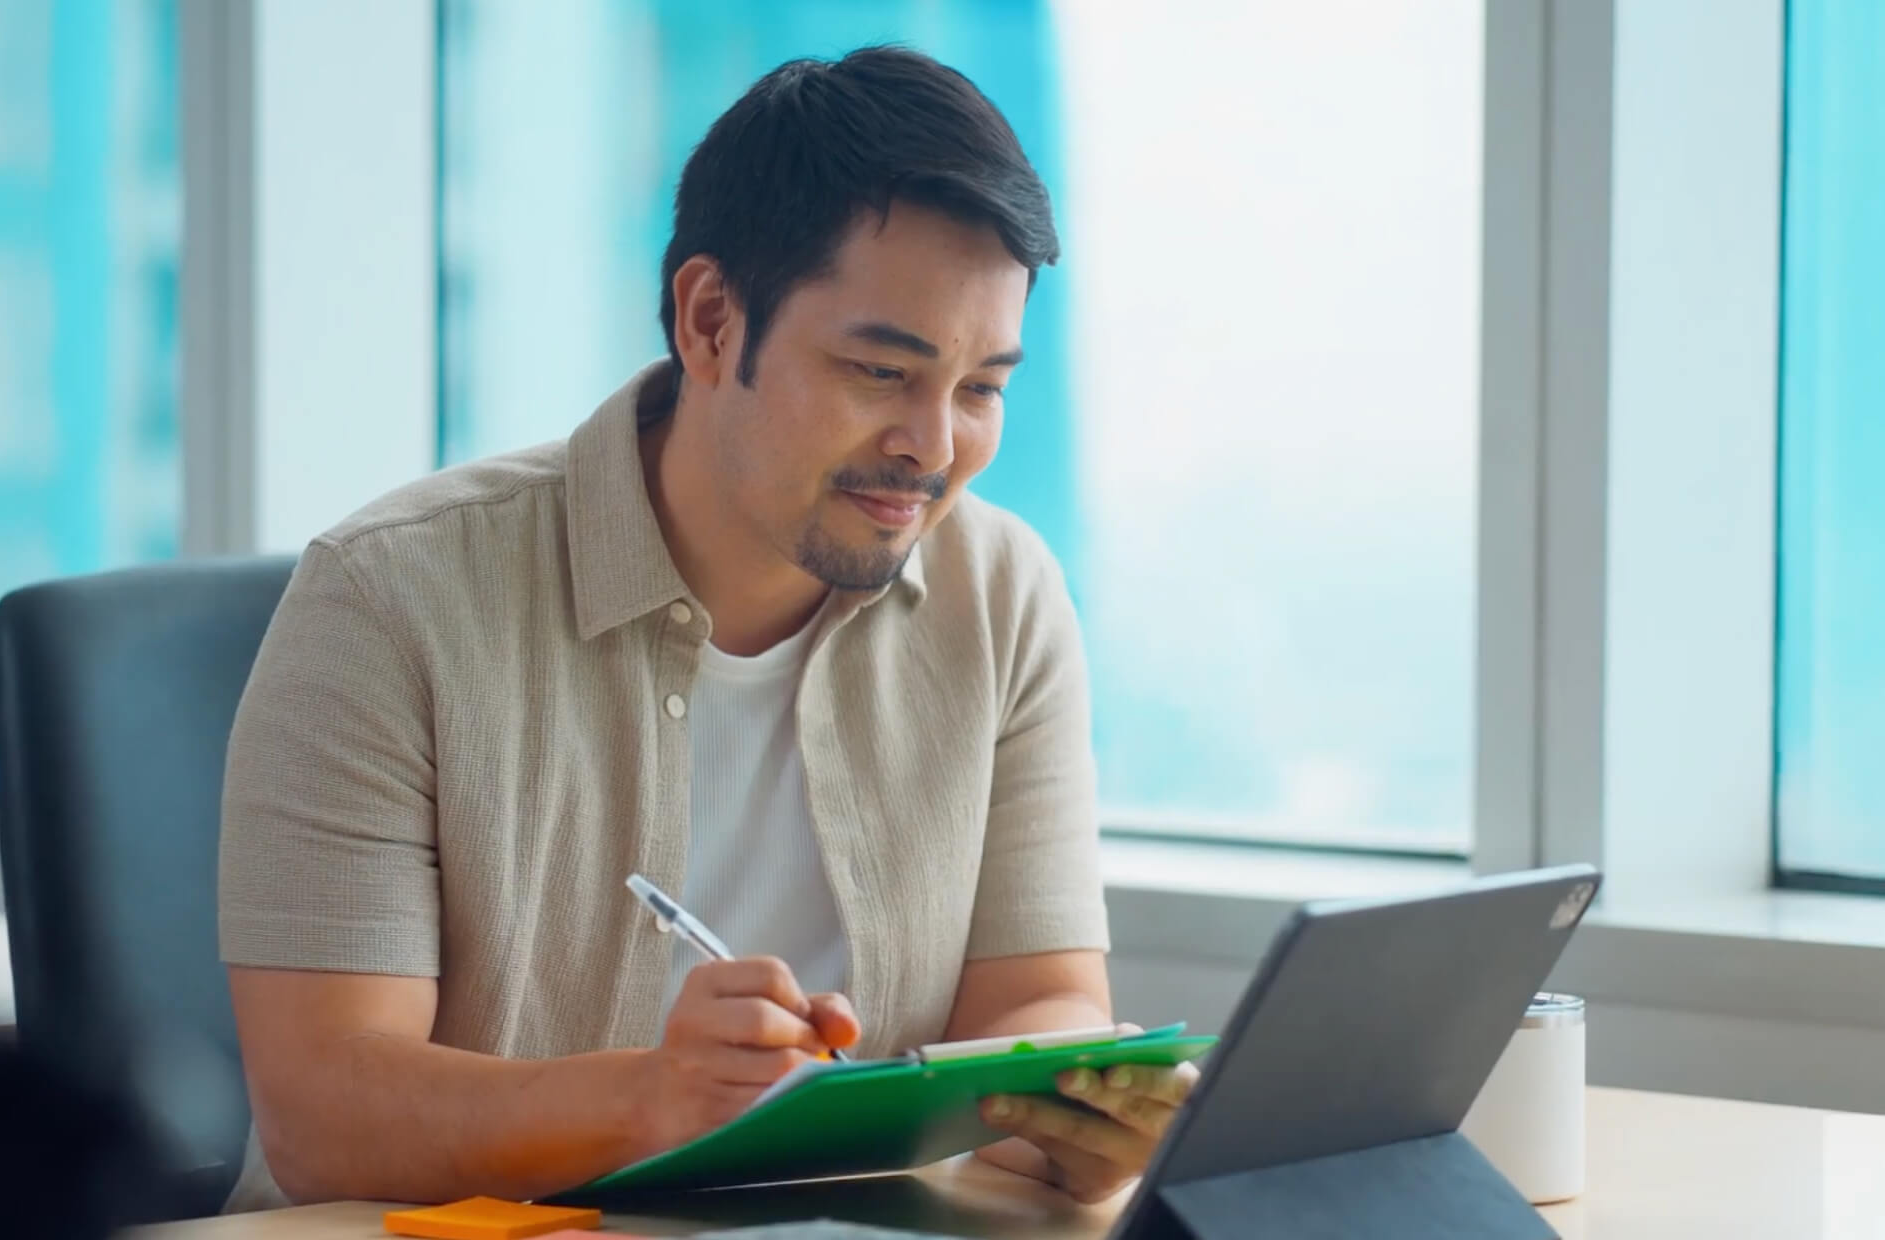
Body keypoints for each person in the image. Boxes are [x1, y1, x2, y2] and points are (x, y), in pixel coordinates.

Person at [215, 45, 1192, 1213]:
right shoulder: (388, 600)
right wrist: (651, 1096)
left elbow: (1036, 997)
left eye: (980, 387)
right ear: (711, 319)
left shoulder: (1004, 595)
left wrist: (1069, 1114)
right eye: (882, 371)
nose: (933, 448)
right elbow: (325, 1113)